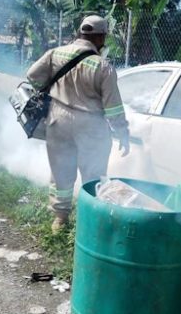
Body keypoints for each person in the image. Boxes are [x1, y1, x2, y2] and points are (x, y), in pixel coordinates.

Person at [26, 15, 130, 232]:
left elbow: (32, 75)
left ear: (80, 33)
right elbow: (113, 108)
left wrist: (51, 88)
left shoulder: (56, 53)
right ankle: (88, 222)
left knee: (61, 171)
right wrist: (122, 132)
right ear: (100, 37)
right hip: (90, 126)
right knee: (92, 175)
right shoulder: (103, 67)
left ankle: (60, 220)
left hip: (57, 119)